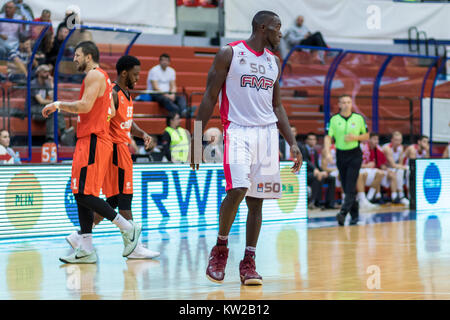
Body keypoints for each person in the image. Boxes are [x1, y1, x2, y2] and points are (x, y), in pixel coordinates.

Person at [190, 11, 303, 286]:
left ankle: (249, 261)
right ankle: (220, 249)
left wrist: (292, 142)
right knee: (238, 189)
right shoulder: (229, 54)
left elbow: (277, 106)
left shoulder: (274, 62)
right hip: (238, 130)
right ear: (263, 28)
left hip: (267, 135)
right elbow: (208, 97)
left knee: (256, 201)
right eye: (278, 29)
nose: (281, 34)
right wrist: (195, 141)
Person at [42, 41, 142, 264]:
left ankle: (127, 227)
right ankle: (86, 247)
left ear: (89, 56)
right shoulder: (103, 78)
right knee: (80, 192)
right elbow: (112, 110)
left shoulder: (94, 76)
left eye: (77, 55)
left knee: (83, 194)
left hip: (94, 139)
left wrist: (57, 104)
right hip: (94, 138)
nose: (74, 59)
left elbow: (85, 106)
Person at [65, 55, 160, 259]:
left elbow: (127, 123)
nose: (138, 78)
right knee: (124, 198)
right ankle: (134, 247)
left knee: (114, 199)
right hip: (114, 149)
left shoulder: (127, 94)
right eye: (135, 74)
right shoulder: (113, 93)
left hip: (121, 148)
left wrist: (142, 134)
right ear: (124, 73)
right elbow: (103, 121)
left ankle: (80, 235)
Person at [323, 94, 369, 226]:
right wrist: (327, 152)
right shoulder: (334, 119)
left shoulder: (358, 118)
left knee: (349, 185)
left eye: (348, 102)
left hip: (355, 155)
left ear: (351, 104)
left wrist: (355, 137)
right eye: (343, 102)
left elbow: (366, 135)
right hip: (341, 155)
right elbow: (328, 137)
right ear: (339, 104)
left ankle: (342, 213)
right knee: (346, 185)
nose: (346, 104)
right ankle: (355, 216)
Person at [30, 64, 71, 143]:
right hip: (34, 109)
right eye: (45, 72)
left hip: (42, 108)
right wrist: (54, 103)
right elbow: (41, 101)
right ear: (39, 73)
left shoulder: (47, 83)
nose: (47, 74)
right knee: (53, 110)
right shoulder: (33, 84)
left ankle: (53, 137)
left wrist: (51, 83)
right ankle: (58, 135)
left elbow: (53, 97)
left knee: (55, 110)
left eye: (48, 72)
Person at [147, 53, 192, 117]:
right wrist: (167, 95)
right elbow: (155, 87)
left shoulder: (171, 71)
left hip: (168, 93)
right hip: (156, 93)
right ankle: (179, 112)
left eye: (166, 60)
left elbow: (173, 85)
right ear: (160, 61)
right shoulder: (154, 70)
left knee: (181, 98)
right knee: (166, 100)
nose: (165, 62)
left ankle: (184, 111)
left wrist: (172, 94)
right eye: (163, 60)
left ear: (169, 62)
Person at [301, 132, 336, 209]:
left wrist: (323, 172)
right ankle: (313, 202)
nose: (312, 141)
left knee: (331, 178)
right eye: (310, 139)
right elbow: (305, 161)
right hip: (305, 173)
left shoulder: (315, 151)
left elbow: (317, 165)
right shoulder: (302, 149)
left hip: (315, 172)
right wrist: (316, 171)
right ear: (306, 140)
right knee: (316, 177)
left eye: (314, 139)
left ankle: (330, 203)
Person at [361, 132, 397, 204]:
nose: (376, 141)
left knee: (391, 174)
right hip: (363, 170)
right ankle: (370, 197)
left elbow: (381, 164)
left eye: (377, 139)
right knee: (378, 173)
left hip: (373, 171)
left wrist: (387, 169)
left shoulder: (378, 149)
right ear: (369, 140)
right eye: (374, 139)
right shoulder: (363, 148)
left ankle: (394, 198)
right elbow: (358, 164)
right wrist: (367, 165)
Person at [382, 131, 409, 205]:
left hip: (393, 168)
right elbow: (393, 164)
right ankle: (400, 195)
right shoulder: (387, 148)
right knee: (402, 170)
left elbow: (400, 163)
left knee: (404, 171)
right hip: (384, 169)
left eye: (400, 140)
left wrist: (403, 167)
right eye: (396, 140)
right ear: (392, 140)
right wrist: (404, 167)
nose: (398, 142)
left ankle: (407, 195)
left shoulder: (401, 148)